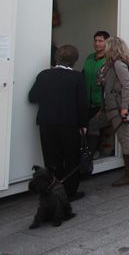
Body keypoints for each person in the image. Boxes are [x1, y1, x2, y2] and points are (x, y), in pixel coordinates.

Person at [28, 45, 88, 202]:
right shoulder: (77, 77)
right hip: (69, 123)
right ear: (75, 61)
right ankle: (69, 192)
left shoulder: (44, 75)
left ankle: (51, 189)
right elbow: (82, 104)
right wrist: (83, 124)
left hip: (46, 122)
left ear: (56, 58)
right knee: (71, 158)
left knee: (51, 159)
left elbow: (32, 97)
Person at [87, 37, 129, 187]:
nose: (103, 48)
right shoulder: (110, 65)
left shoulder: (118, 64)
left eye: (107, 46)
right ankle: (90, 156)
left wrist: (124, 108)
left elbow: (127, 86)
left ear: (113, 48)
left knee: (125, 138)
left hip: (118, 109)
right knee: (93, 125)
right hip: (110, 107)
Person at [82, 31, 109, 120]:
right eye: (95, 41)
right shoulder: (89, 57)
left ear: (107, 42)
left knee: (104, 131)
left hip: (102, 104)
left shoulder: (110, 59)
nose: (97, 43)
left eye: (100, 41)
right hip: (87, 102)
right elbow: (83, 75)